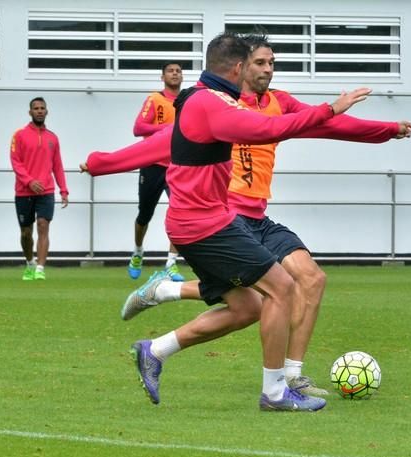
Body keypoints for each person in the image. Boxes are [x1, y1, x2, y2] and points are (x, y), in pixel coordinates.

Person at [82, 32, 371, 412]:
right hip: (204, 226)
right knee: (282, 288)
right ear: (237, 68)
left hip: (204, 222)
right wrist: (329, 109)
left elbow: (155, 146)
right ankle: (275, 393)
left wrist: (100, 162)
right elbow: (269, 130)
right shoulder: (211, 104)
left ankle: (154, 350)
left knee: (248, 308)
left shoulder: (201, 100)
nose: (261, 72)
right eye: (254, 65)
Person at [129, 62, 184, 282]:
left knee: (181, 213)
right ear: (162, 77)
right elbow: (138, 128)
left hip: (178, 166)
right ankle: (137, 252)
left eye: (178, 71)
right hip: (152, 165)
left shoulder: (187, 101)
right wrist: (166, 129)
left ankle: (171, 262)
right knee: (144, 215)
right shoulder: (155, 99)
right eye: (170, 71)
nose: (175, 74)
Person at [10, 97, 69, 281]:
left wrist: (63, 189)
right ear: (30, 112)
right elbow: (15, 161)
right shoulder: (19, 135)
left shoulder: (53, 138)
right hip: (24, 191)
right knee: (26, 232)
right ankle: (30, 263)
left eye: (42, 108)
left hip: (46, 191)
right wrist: (29, 181)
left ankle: (41, 268)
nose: (39, 111)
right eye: (36, 108)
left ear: (47, 111)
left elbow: (57, 165)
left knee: (43, 226)